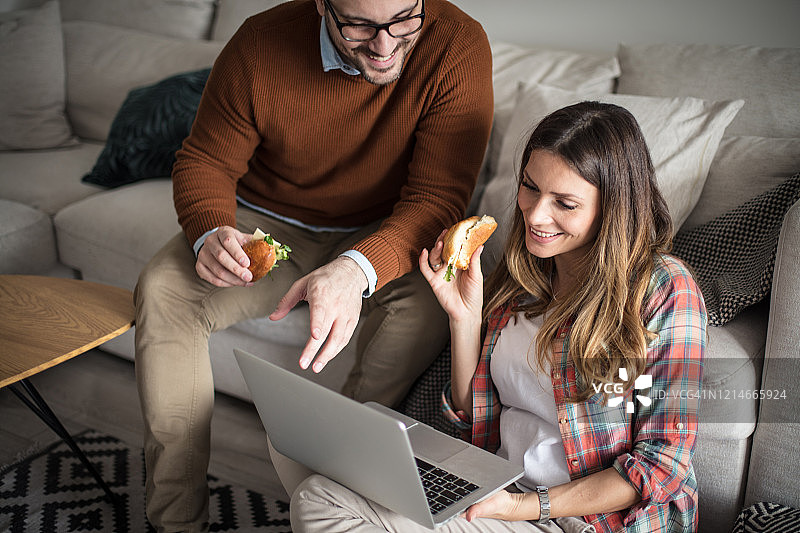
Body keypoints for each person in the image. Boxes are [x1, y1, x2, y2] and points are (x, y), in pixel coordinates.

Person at [133, 0, 493, 530]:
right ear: (322, 5)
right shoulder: (259, 42)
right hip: (270, 223)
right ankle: (176, 520)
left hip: (388, 230)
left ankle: (332, 504)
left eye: (403, 21)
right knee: (163, 291)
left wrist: (356, 268)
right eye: (360, 26)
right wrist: (210, 230)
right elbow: (206, 159)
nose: (386, 45)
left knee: (427, 309)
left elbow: (437, 197)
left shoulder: (458, 44)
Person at [287, 101, 707, 532]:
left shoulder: (663, 290)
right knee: (296, 445)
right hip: (496, 495)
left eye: (564, 203)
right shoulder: (524, 275)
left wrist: (517, 507)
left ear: (613, 207)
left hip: (578, 521)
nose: (535, 215)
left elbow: (660, 466)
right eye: (530, 187)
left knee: (319, 498)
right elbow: (476, 421)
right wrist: (464, 320)